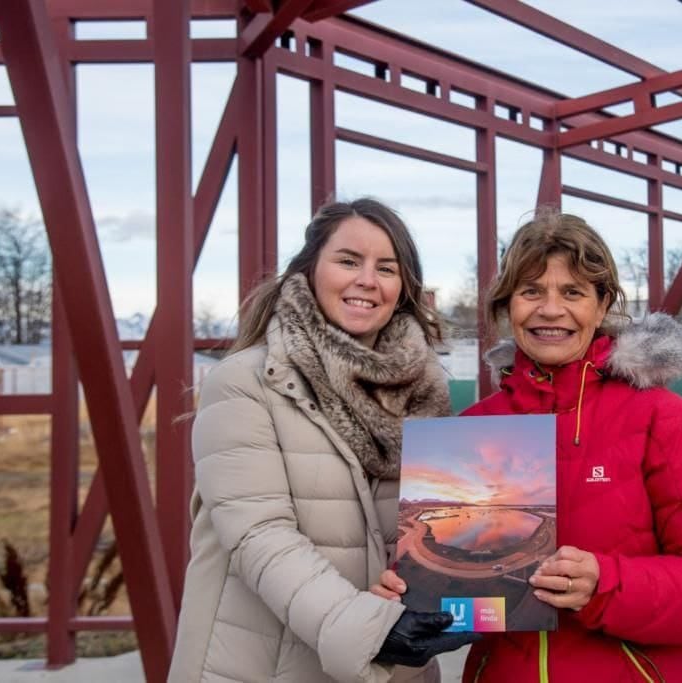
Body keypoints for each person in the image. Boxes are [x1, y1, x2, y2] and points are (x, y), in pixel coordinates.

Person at [378, 211, 682, 682]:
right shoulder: (474, 428)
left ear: (602, 309)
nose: (550, 309)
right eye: (531, 291)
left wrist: (607, 585)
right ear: (507, 307)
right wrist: (406, 594)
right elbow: (456, 585)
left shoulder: (663, 420)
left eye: (572, 292)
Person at [169, 199, 477, 683]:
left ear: (403, 289)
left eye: (386, 268)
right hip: (264, 664)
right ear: (309, 269)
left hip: (394, 664)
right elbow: (259, 535)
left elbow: (427, 535)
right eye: (348, 261)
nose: (367, 280)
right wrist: (372, 630)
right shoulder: (246, 382)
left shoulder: (421, 394)